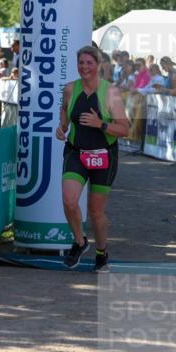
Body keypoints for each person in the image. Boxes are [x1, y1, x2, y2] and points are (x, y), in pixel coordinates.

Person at [57, 45, 130, 272]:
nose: (84, 67)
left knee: (96, 212)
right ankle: (80, 242)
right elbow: (64, 109)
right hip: (76, 151)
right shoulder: (70, 89)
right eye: (81, 63)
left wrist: (101, 124)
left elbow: (125, 129)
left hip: (103, 155)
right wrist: (62, 127)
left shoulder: (110, 92)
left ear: (98, 65)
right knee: (69, 201)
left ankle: (101, 253)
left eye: (89, 63)